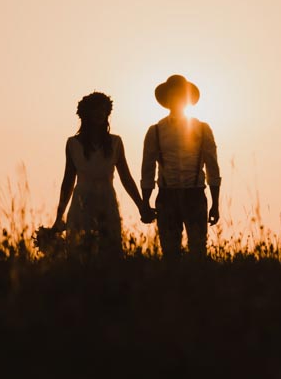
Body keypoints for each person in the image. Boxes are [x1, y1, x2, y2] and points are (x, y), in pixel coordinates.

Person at [52, 92, 155, 255]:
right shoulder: (73, 144)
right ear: (86, 114)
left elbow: (126, 177)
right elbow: (68, 180)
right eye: (95, 109)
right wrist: (59, 217)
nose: (100, 113)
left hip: (107, 203)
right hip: (81, 204)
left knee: (110, 253)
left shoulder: (116, 142)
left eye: (103, 109)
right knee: (80, 253)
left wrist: (141, 205)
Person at [141, 74, 221, 258]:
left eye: (180, 95)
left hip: (195, 194)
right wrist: (145, 202)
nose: (176, 99)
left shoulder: (203, 129)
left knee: (198, 250)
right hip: (167, 196)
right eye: (173, 95)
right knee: (169, 252)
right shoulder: (155, 131)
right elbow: (147, 168)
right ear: (167, 99)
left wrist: (216, 203)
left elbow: (212, 166)